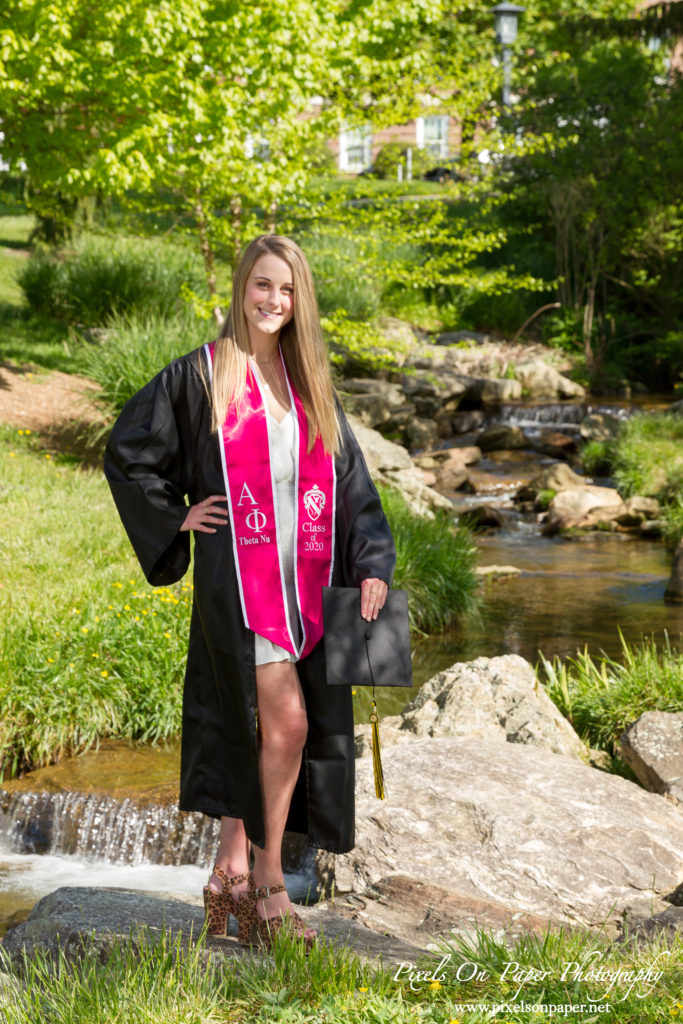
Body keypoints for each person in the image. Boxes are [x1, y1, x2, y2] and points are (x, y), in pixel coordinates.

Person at [104, 234, 396, 950]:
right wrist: (177, 515)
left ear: (301, 302)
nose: (273, 301)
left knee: (256, 728)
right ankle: (269, 890)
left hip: (308, 584)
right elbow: (128, 450)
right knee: (288, 724)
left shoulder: (309, 387)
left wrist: (372, 563)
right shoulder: (200, 377)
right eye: (262, 286)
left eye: (287, 290)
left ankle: (226, 875)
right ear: (241, 289)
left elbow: (352, 490)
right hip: (242, 586)